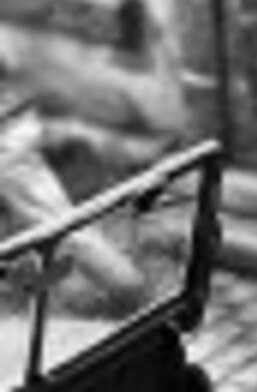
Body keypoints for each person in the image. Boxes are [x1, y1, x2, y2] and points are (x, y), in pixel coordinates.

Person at [0, 75, 151, 314]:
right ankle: (26, 294)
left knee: (59, 227)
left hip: (7, 137)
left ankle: (129, 290)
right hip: (13, 123)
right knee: (32, 233)